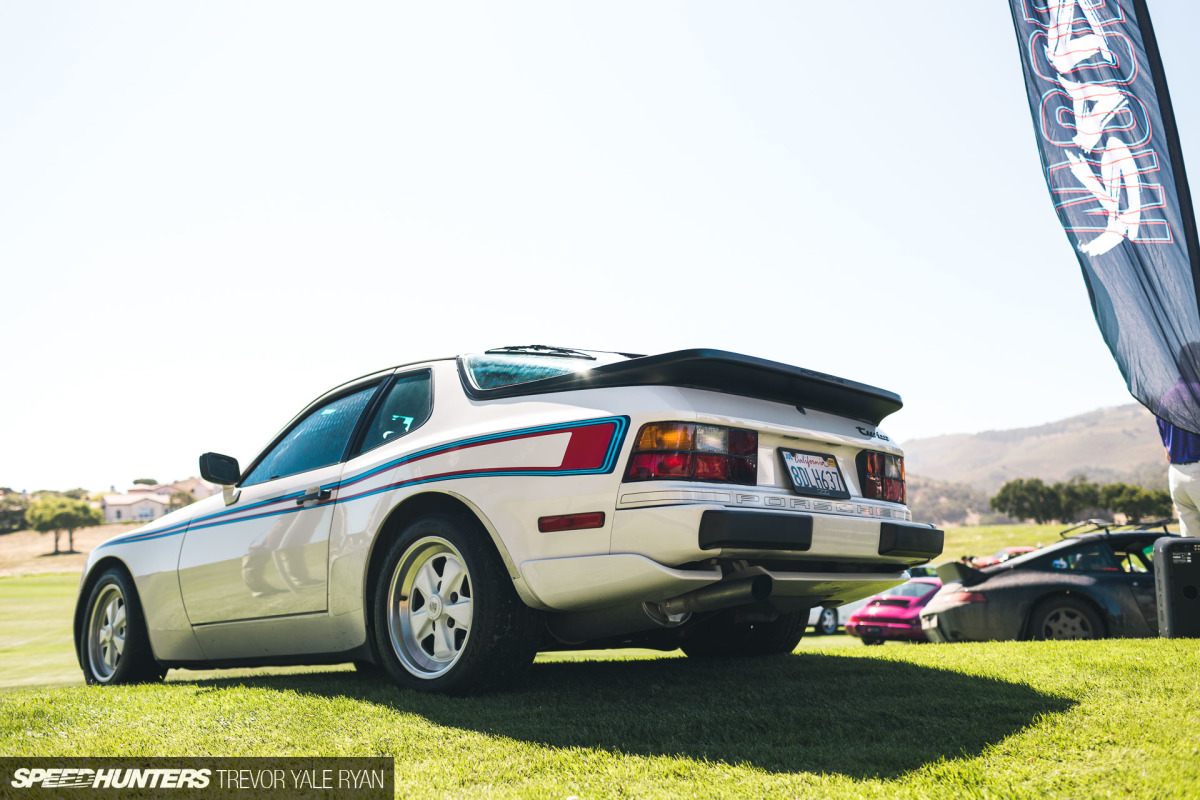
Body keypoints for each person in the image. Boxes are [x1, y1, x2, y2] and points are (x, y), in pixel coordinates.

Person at [1158, 416, 1200, 536]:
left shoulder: (1163, 403)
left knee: (1192, 546)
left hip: (1176, 474)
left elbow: (1167, 454)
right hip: (1197, 469)